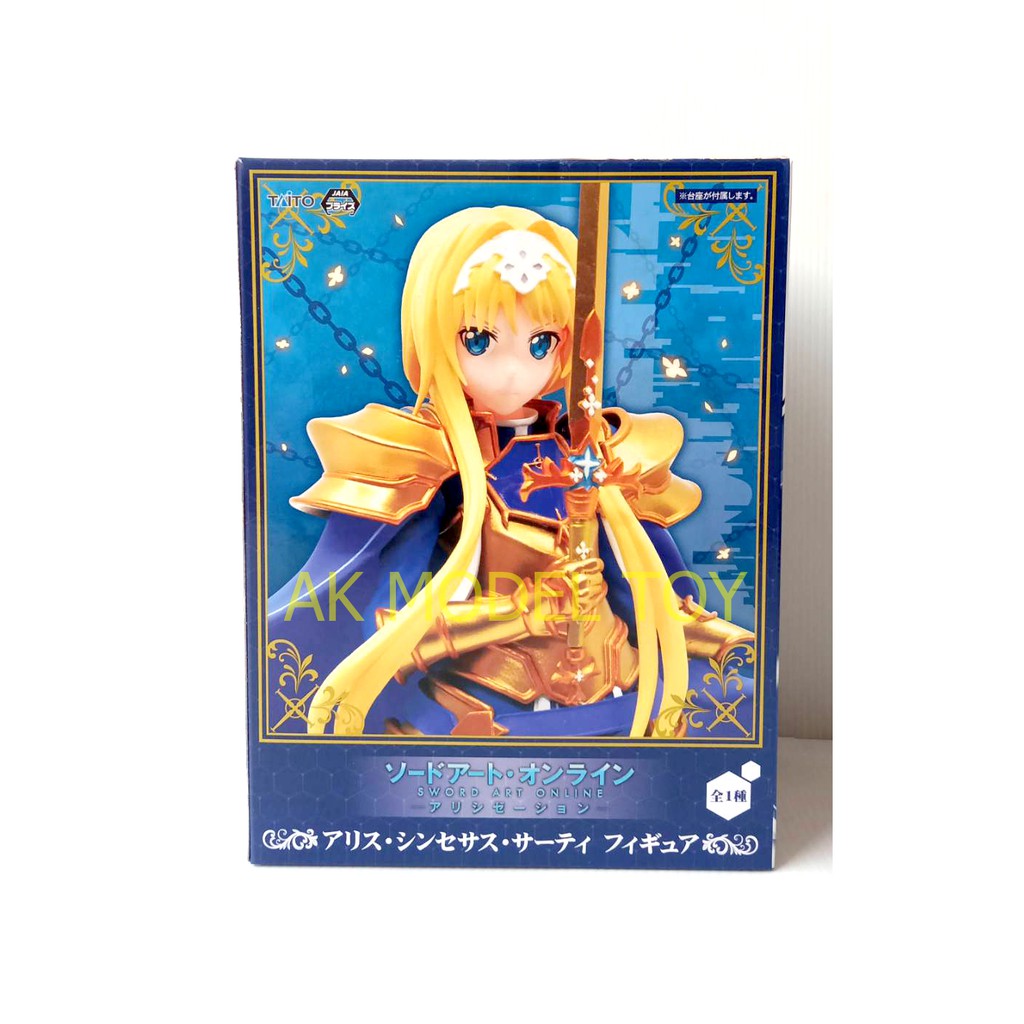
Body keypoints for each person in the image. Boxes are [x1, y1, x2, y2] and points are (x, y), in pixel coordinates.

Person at [266, 205, 754, 738]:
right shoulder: (432, 459)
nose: (515, 370)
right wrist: (527, 609)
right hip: (490, 701)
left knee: (732, 710)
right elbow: (390, 631)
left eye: (541, 342)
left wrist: (715, 637)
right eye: (479, 340)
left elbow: (646, 590)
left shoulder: (593, 451)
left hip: (624, 686)